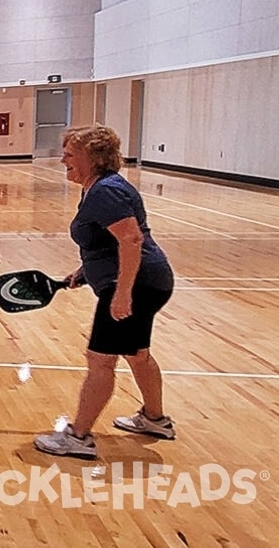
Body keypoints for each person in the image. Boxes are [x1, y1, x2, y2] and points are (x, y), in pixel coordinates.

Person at [34, 125, 176, 459]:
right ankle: (155, 419)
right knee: (137, 354)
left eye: (70, 154)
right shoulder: (99, 187)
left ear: (93, 157)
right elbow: (111, 241)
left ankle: (78, 436)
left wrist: (122, 293)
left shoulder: (105, 191)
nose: (63, 160)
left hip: (135, 285)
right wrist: (85, 272)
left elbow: (131, 239)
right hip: (149, 280)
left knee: (100, 360)